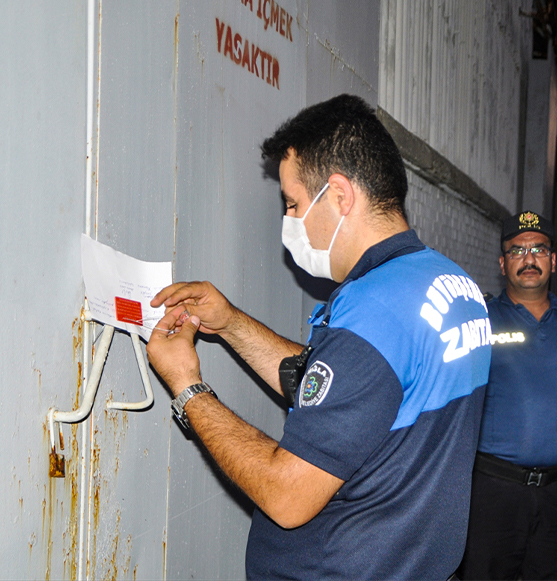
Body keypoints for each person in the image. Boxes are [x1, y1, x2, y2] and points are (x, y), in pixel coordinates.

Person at [145, 94, 492, 580]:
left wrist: (187, 386)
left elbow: (288, 496)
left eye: (293, 203)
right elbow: (349, 390)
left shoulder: (373, 312)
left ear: (340, 195)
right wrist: (230, 323)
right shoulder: (446, 281)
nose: (288, 220)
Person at [457, 210, 557, 580]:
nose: (528, 259)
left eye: (539, 249)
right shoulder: (479, 320)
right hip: (493, 493)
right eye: (517, 250)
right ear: (502, 262)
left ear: (553, 261)